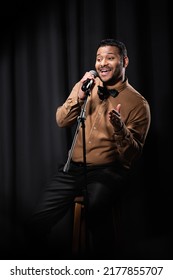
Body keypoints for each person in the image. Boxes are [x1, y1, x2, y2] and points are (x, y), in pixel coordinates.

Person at [25, 38, 151, 259]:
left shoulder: (138, 103)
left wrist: (120, 129)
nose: (102, 63)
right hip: (73, 169)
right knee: (37, 221)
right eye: (99, 58)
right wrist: (79, 96)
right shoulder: (85, 86)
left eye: (110, 58)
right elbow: (61, 120)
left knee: (96, 216)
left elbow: (132, 155)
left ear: (125, 61)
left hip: (109, 171)